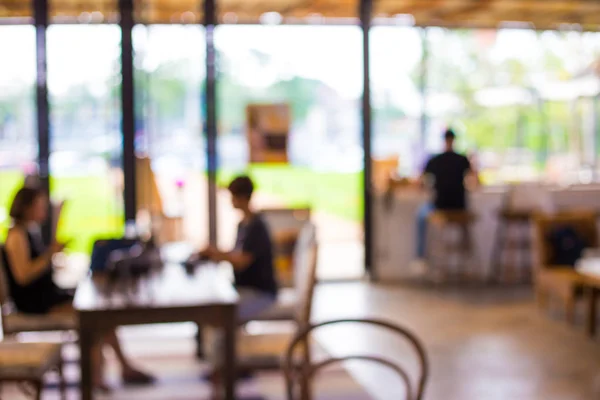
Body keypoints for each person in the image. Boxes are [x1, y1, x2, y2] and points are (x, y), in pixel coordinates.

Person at [1, 187, 153, 391]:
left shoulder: (29, 230)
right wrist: (49, 255)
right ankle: (100, 375)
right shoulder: (17, 235)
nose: (43, 210)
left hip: (44, 295)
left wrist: (52, 257)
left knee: (101, 312)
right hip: (33, 302)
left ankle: (111, 369)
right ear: (27, 207)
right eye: (40, 205)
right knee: (95, 315)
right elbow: (23, 276)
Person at [192, 175, 278, 321]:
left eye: (233, 196)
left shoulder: (257, 227)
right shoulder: (243, 224)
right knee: (213, 305)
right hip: (243, 289)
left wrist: (216, 254)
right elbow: (236, 254)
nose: (231, 200)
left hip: (260, 293)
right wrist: (215, 253)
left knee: (219, 315)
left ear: (243, 197)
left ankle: (225, 344)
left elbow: (241, 261)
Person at [413, 128, 479, 270]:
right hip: (460, 208)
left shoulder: (435, 160)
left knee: (420, 214)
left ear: (444, 140)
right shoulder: (463, 159)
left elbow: (419, 183)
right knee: (462, 222)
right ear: (454, 140)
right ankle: (468, 257)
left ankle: (420, 258)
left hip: (440, 207)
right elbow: (476, 181)